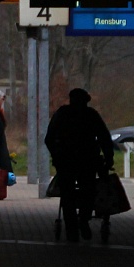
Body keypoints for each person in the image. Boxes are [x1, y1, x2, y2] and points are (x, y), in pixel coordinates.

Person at [44, 88, 115, 242]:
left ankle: (71, 229)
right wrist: (108, 158)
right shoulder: (91, 115)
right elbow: (104, 137)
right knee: (88, 191)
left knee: (68, 194)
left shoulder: (62, 114)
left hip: (66, 160)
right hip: (88, 160)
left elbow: (49, 138)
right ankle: (83, 219)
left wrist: (56, 155)